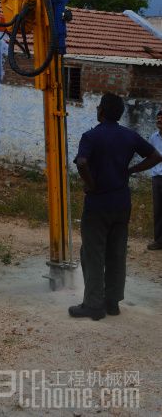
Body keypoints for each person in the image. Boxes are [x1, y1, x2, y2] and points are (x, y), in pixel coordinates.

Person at [69, 92, 162, 320]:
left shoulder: (91, 136)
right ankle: (112, 303)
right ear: (119, 113)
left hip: (98, 204)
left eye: (99, 106)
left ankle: (93, 305)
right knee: (116, 252)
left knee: (93, 253)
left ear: (101, 111)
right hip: (121, 203)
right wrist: (131, 170)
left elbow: (81, 162)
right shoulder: (129, 136)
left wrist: (90, 185)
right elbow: (156, 156)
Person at [147, 109, 162, 250]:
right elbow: (150, 156)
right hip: (157, 178)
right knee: (158, 210)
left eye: (161, 118)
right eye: (158, 119)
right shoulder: (153, 137)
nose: (159, 121)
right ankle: (158, 241)